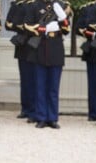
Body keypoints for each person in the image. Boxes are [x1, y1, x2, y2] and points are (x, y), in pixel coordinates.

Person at [24, 0, 71, 129]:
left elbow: (67, 29)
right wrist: (43, 28)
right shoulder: (34, 5)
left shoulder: (61, 5)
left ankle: (52, 118)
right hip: (39, 50)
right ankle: (41, 117)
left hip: (56, 50)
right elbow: (27, 26)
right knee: (40, 87)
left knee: (53, 88)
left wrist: (62, 18)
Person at [6, 0, 37, 124]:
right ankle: (26, 109)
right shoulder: (17, 5)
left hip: (36, 45)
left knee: (35, 79)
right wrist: (22, 26)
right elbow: (8, 24)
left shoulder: (38, 5)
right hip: (23, 46)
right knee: (25, 79)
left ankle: (35, 109)